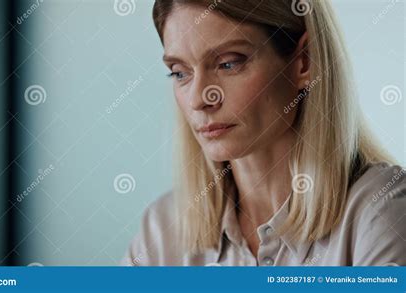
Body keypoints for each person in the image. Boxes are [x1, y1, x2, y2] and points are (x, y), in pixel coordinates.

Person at [120, 0, 406, 266]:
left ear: (304, 61)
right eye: (180, 72)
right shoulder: (161, 229)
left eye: (228, 63)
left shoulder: (381, 211)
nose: (198, 99)